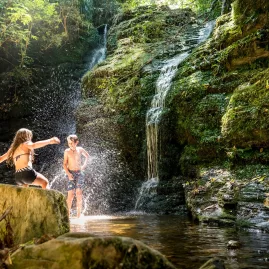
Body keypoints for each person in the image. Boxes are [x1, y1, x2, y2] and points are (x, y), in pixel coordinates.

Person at [63, 134, 89, 218]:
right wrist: (68, 174)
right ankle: (67, 215)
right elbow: (64, 164)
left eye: (72, 143)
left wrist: (84, 166)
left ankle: (78, 216)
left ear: (76, 142)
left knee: (79, 193)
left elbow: (87, 157)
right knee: (70, 195)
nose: (70, 145)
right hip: (70, 173)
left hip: (79, 173)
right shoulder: (67, 151)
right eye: (69, 143)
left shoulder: (80, 149)